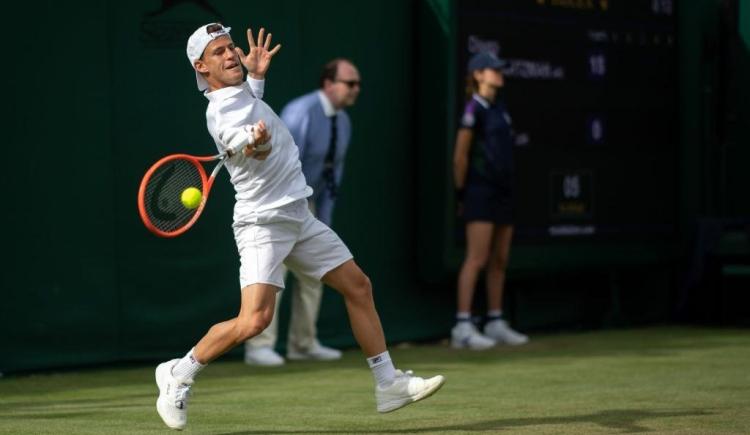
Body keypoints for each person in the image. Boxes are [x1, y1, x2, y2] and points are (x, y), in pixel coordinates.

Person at [153, 23, 444, 430]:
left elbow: (249, 102)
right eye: (219, 52)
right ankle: (178, 374)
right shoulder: (221, 113)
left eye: (231, 46)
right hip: (264, 222)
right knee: (254, 321)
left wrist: (257, 77)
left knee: (358, 286)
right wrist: (258, 143)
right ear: (202, 66)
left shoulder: (239, 94)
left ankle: (387, 383)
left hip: (297, 215)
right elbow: (250, 142)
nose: (231, 54)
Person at [244, 58, 361, 366]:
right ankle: (259, 347)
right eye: (350, 83)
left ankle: (303, 343)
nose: (356, 89)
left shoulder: (344, 122)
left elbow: (335, 174)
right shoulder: (301, 113)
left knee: (315, 275)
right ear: (329, 84)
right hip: (278, 202)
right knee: (271, 273)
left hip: (309, 207)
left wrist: (323, 216)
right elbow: (275, 161)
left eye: (357, 84)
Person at [451, 51, 529, 350]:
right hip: (478, 192)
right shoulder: (474, 108)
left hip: (504, 192)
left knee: (499, 260)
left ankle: (495, 321)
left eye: (500, 68)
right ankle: (462, 325)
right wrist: (461, 193)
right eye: (493, 69)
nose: (499, 73)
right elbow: (460, 157)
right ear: (478, 75)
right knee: (477, 258)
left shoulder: (501, 108)